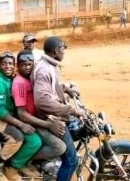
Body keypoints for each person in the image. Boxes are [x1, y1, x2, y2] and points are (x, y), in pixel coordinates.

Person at [31, 36, 86, 181]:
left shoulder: (49, 65)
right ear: (55, 51)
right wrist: (72, 110)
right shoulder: (44, 69)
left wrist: (66, 89)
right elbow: (42, 100)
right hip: (51, 119)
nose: (64, 52)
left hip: (54, 115)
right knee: (71, 161)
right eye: (62, 49)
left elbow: (50, 89)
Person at [0, 52, 42, 180]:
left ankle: (18, 164)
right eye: (4, 64)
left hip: (12, 116)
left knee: (35, 141)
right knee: (16, 138)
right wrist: (21, 124)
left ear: (14, 65)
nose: (8, 66)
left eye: (10, 63)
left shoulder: (11, 78)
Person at [11, 49, 66, 167]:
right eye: (23, 65)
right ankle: (25, 162)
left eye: (29, 64)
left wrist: (66, 89)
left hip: (39, 117)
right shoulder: (19, 83)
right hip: (30, 123)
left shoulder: (31, 77)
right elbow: (22, 114)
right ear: (18, 66)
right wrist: (48, 125)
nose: (27, 67)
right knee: (59, 147)